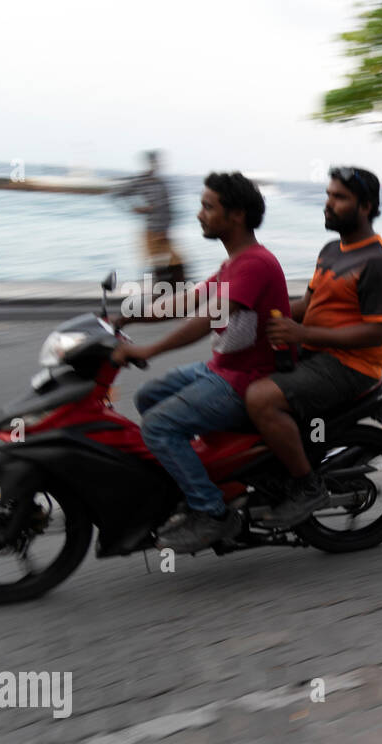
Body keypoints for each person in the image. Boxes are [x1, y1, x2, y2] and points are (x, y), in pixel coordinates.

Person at [111, 172, 289, 551]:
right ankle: (205, 475)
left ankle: (211, 512)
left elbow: (207, 317)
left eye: (208, 207)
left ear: (236, 215)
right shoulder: (234, 264)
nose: (198, 215)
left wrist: (148, 350)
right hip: (221, 370)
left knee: (158, 427)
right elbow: (186, 301)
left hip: (245, 380)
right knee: (148, 398)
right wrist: (127, 316)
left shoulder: (255, 264)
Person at [245, 167, 382, 528]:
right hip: (315, 355)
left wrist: (301, 336)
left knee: (260, 399)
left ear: (365, 207)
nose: (328, 205)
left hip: (349, 366)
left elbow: (375, 334)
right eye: (328, 196)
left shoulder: (380, 264)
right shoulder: (332, 250)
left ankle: (307, 487)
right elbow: (306, 306)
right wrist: (254, 310)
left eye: (339, 198)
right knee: (238, 378)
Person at [111, 150, 185, 285]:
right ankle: (161, 299)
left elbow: (169, 207)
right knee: (161, 268)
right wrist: (136, 208)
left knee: (177, 266)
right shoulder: (141, 181)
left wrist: (168, 228)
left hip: (165, 232)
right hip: (152, 232)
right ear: (149, 163)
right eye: (154, 162)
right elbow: (116, 195)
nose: (157, 164)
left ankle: (172, 298)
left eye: (158, 162)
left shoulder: (161, 182)